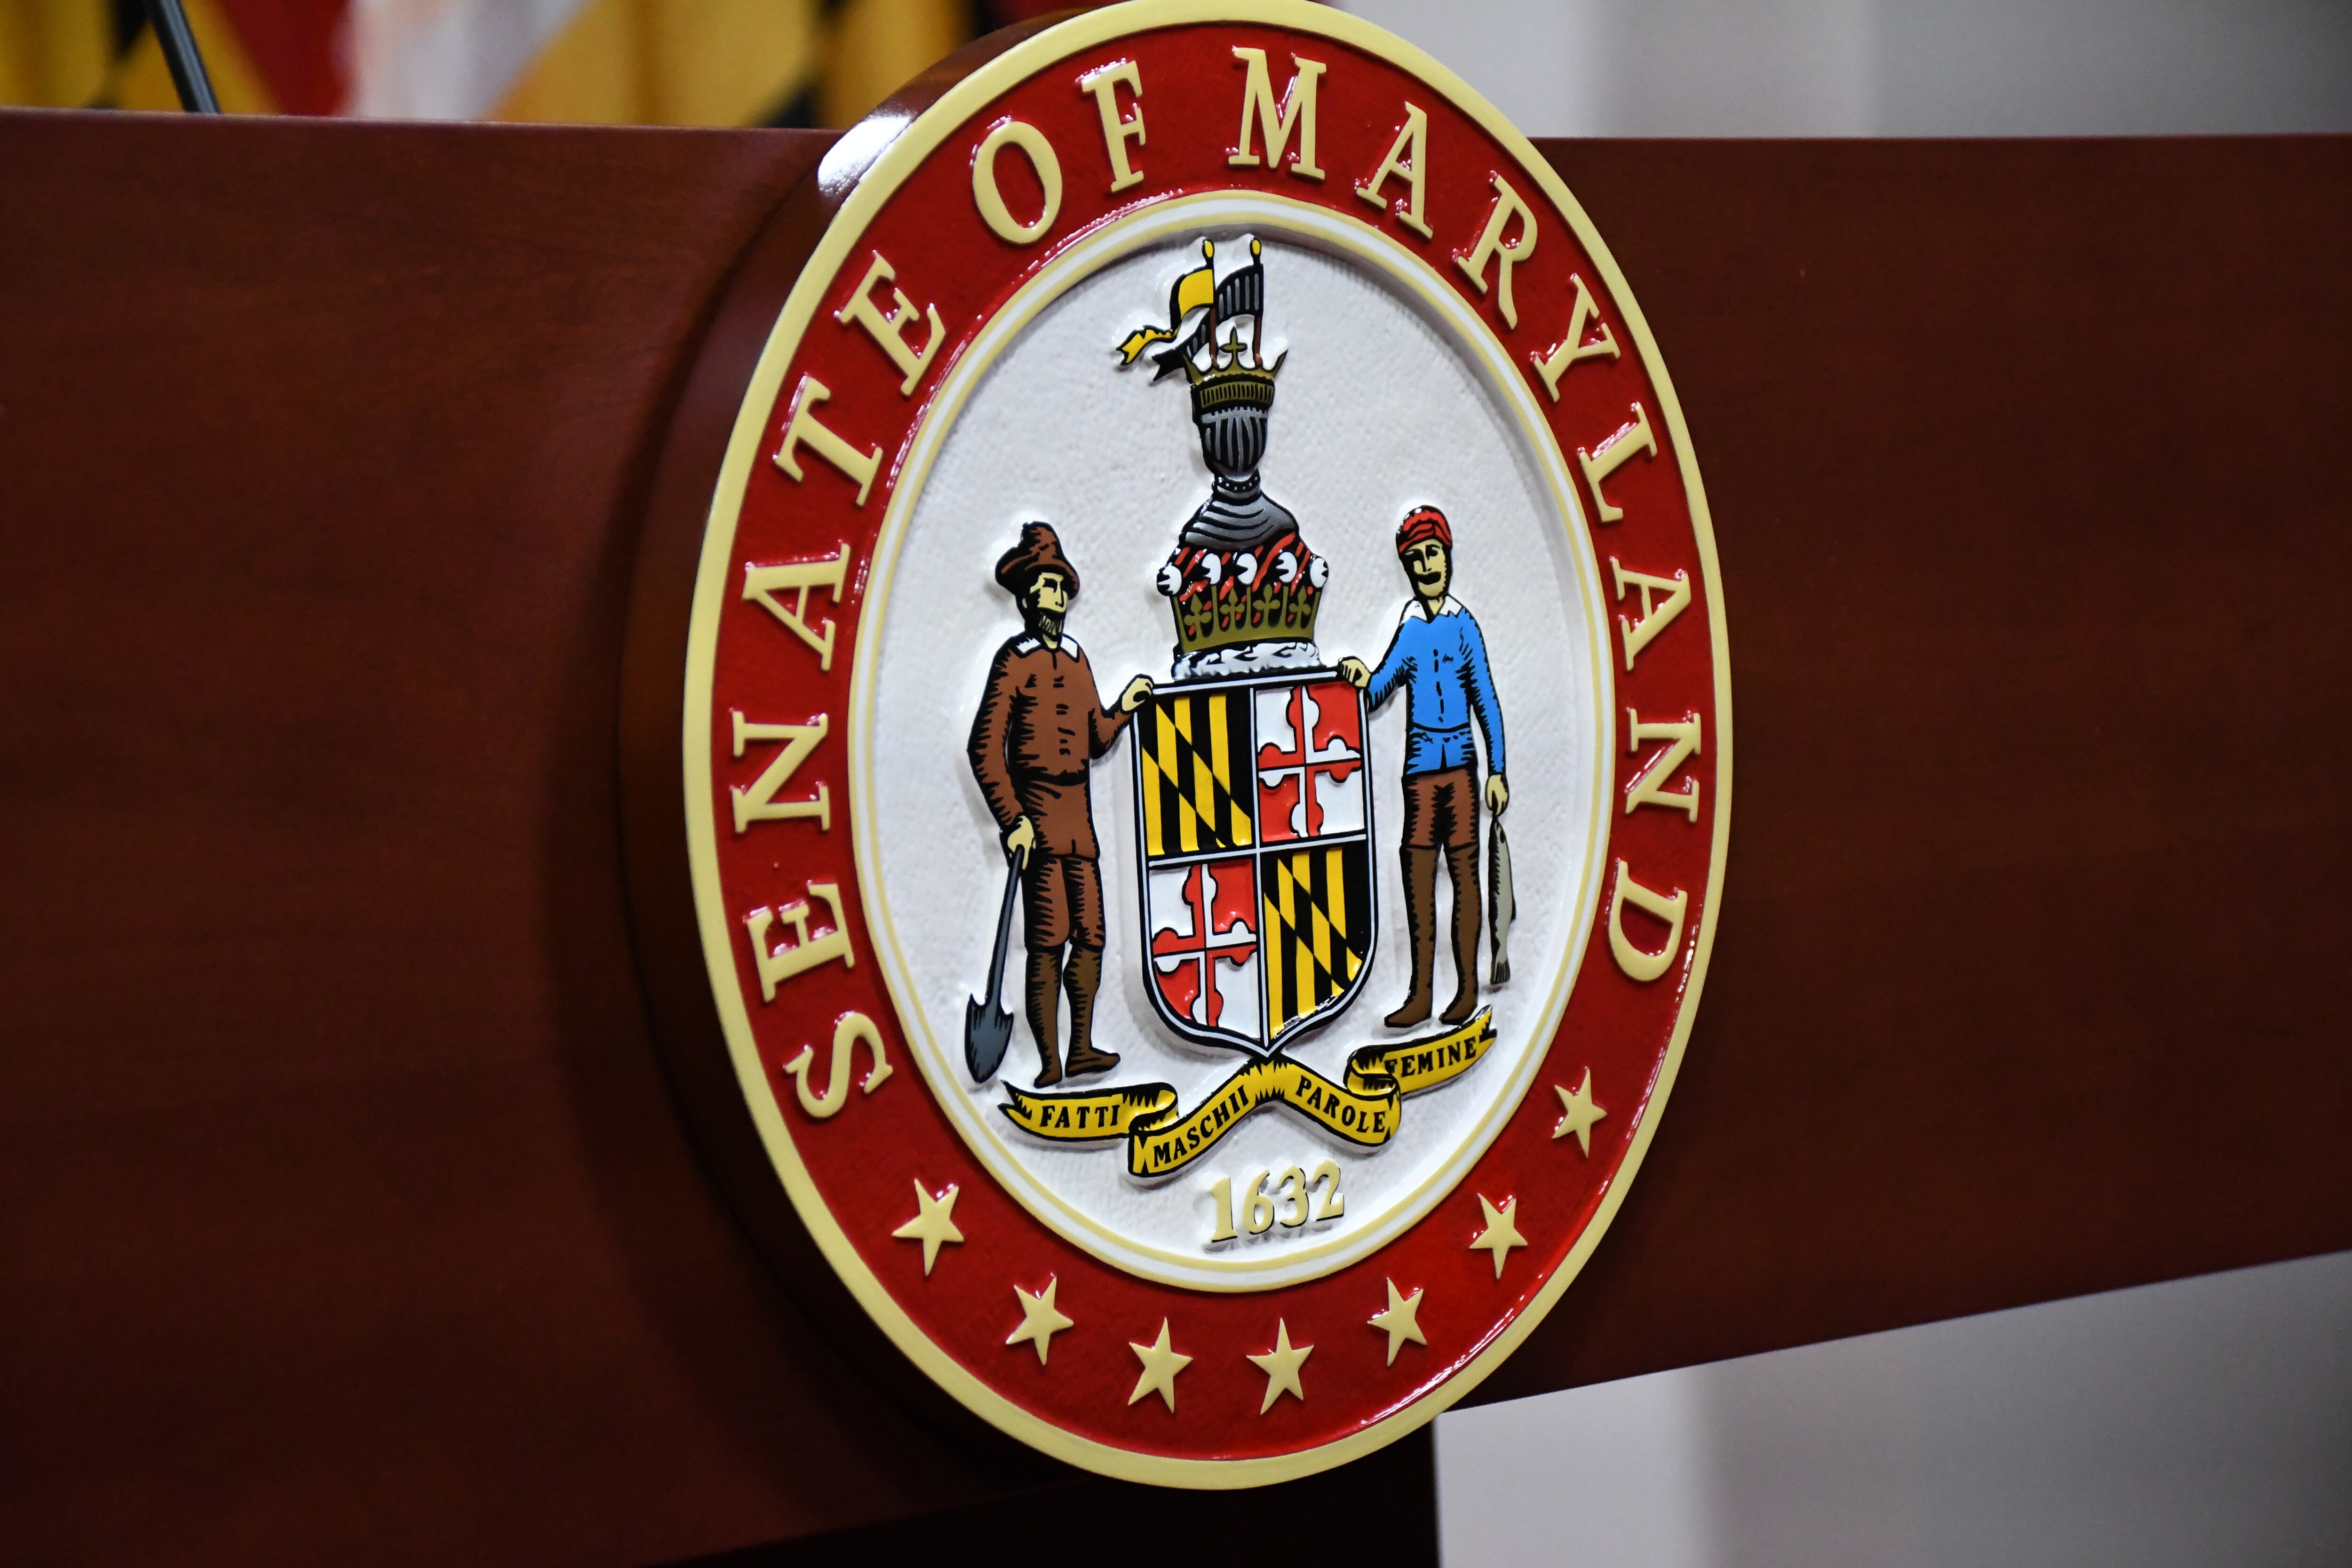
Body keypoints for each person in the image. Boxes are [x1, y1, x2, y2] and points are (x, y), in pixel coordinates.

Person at [967, 523, 1154, 1087]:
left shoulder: (1075, 659)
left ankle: (1082, 1048)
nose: (1056, 596)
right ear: (1027, 597)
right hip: (1038, 820)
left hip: (1079, 817)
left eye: (1060, 586)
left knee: (1091, 935)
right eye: (1047, 586)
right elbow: (984, 748)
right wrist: (1011, 818)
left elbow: (1095, 736)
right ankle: (1046, 1061)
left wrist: (1124, 707)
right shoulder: (1014, 660)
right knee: (1048, 940)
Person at [1339, 506, 1509, 1028]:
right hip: (1418, 773)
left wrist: (1497, 770)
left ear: (1447, 555)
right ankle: (1419, 994)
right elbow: (1380, 687)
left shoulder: (1463, 628)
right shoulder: (1410, 629)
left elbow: (1486, 700)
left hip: (1459, 768)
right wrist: (1357, 677)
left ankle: (1463, 990)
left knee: (1463, 877)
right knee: (1417, 877)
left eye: (1431, 553)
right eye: (1414, 559)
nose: (1425, 566)